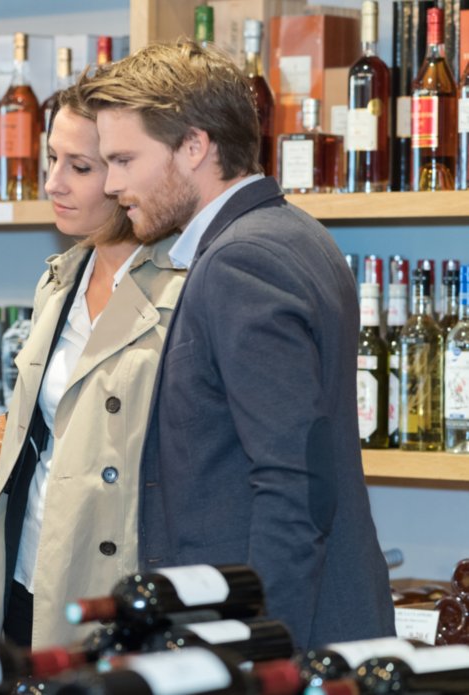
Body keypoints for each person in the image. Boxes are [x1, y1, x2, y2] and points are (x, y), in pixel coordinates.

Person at [80, 40, 394, 650]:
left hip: (276, 636)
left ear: (195, 146)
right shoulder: (297, 234)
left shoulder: (240, 262)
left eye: (123, 159)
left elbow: (292, 487)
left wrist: (253, 651)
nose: (113, 184)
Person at [0, 85, 185, 648]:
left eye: (80, 166)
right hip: (24, 568)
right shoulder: (61, 277)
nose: (53, 182)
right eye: (52, 158)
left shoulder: (185, 288)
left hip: (109, 585)